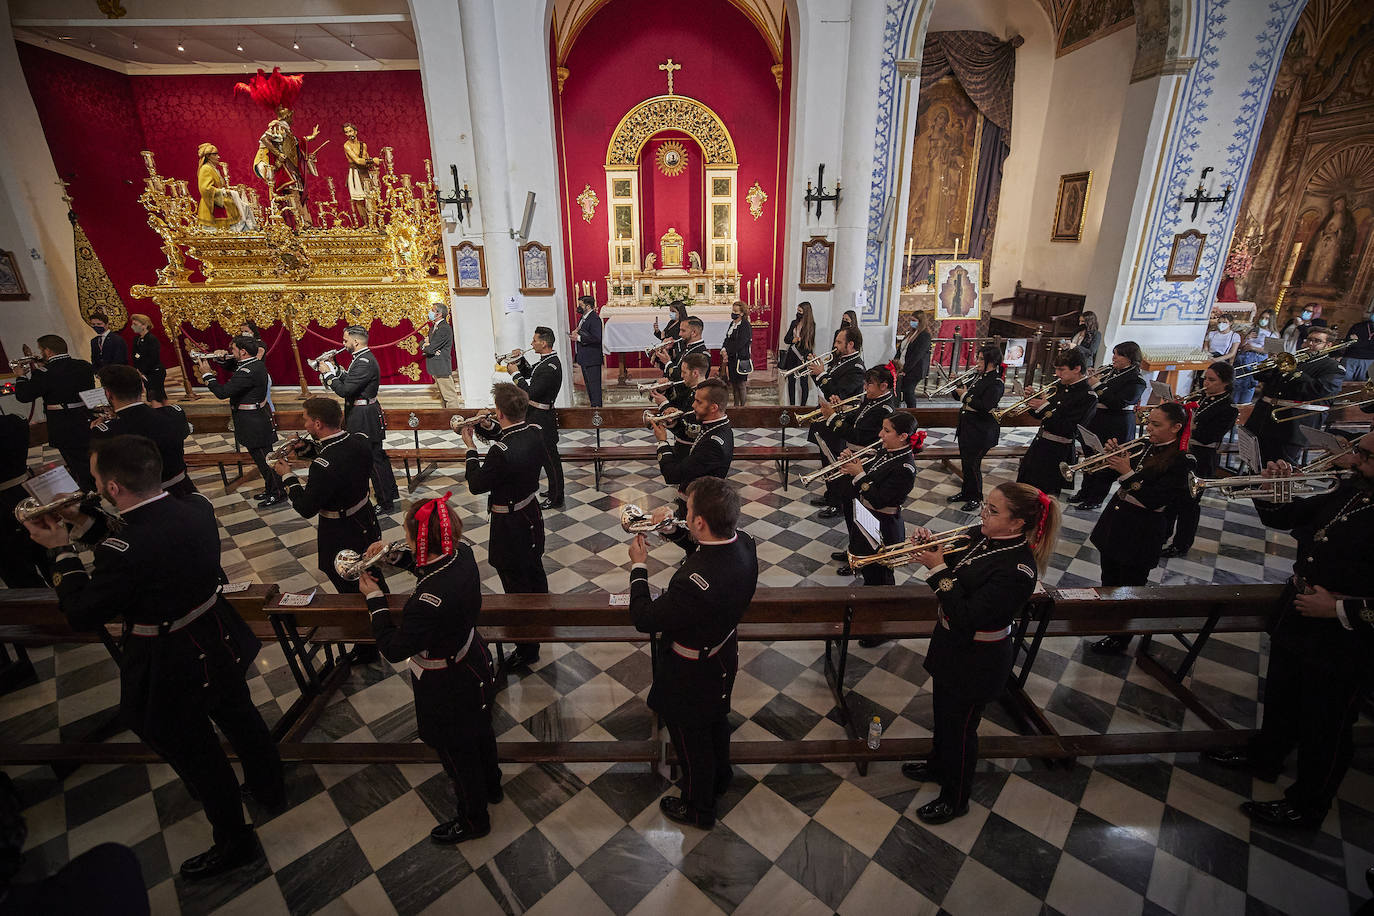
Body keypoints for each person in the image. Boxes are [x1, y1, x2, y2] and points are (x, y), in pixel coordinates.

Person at [22, 435, 284, 880]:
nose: (93, 486)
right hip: (216, 632)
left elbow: (85, 613)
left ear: (113, 489)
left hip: (170, 654)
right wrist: (86, 525)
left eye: (96, 480)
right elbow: (150, 539)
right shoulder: (196, 507)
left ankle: (235, 841)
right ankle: (269, 786)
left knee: (197, 752)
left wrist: (61, 550)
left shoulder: (122, 552)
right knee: (240, 715)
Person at [1204, 433, 1374, 828]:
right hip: (1298, 613)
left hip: (1344, 636)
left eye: (1364, 455)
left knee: (1326, 724)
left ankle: (1308, 805)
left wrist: (1338, 608)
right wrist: (1273, 489)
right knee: (1282, 695)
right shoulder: (1353, 489)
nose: (1352, 459)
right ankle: (1266, 756)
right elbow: (1286, 517)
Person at [901, 482, 1060, 824]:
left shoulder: (1018, 570)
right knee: (943, 713)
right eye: (986, 505)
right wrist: (933, 546)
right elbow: (958, 564)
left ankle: (956, 798)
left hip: (978, 659)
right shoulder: (981, 536)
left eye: (992, 510)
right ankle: (936, 764)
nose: (982, 514)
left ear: (1017, 524)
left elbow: (968, 616)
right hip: (951, 646)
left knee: (960, 729)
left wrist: (937, 569)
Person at [362, 496, 501, 844]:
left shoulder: (427, 600)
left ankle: (473, 819)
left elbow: (394, 649)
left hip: (447, 683)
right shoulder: (463, 553)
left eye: (407, 538)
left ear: (418, 540)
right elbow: (430, 563)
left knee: (456, 752)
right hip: (473, 661)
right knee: (481, 731)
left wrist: (375, 601)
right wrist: (393, 556)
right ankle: (493, 786)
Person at [627, 476, 758, 829]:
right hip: (722, 653)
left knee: (690, 741)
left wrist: (639, 567)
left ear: (700, 521)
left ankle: (699, 808)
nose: (685, 514)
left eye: (688, 511)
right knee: (716, 721)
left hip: (690, 671)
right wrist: (671, 530)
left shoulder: (693, 583)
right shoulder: (744, 543)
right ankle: (721, 777)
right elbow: (707, 549)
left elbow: (645, 619)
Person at [1087, 402, 1194, 654]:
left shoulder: (1182, 461)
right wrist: (1108, 459)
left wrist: (1126, 473)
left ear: (1176, 427)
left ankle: (1120, 636)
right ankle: (1108, 620)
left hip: (1141, 532)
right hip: (1117, 523)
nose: (1149, 428)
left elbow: (1155, 499)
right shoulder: (1145, 446)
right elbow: (1106, 478)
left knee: (1130, 587)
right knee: (1109, 578)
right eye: (1148, 422)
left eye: (1156, 425)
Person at [462, 383, 548, 665]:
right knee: (534, 569)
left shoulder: (500, 451)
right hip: (531, 512)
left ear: (500, 412)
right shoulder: (534, 432)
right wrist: (489, 426)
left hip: (509, 522)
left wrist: (471, 448)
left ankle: (527, 649)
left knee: (514, 580)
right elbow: (510, 437)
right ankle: (544, 620)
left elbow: (476, 485)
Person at [274, 396, 388, 600]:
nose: (304, 423)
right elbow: (337, 454)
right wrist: (306, 448)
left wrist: (287, 476)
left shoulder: (322, 466)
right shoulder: (359, 440)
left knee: (350, 579)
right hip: (365, 516)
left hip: (341, 530)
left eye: (306, 419)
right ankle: (384, 603)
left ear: (318, 424)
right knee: (372, 568)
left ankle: (366, 616)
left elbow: (306, 508)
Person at [835, 412, 919, 595]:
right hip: (869, 516)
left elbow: (879, 500)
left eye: (886, 430)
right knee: (869, 570)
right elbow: (872, 473)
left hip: (884, 526)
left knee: (880, 578)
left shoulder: (905, 468)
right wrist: (853, 461)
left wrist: (858, 474)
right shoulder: (887, 451)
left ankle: (882, 609)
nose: (880, 434)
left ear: (903, 436)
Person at [319, 326, 400, 512]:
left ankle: (385, 502)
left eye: (345, 340)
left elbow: (345, 390)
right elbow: (351, 380)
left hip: (364, 418)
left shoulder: (364, 361)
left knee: (372, 461)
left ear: (356, 342)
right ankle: (389, 494)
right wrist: (336, 369)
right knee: (376, 458)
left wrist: (328, 373)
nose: (343, 343)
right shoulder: (361, 359)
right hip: (363, 415)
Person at [1161, 362, 1238, 559]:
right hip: (1183, 452)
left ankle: (1181, 544)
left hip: (1202, 457)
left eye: (1212, 380)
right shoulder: (1202, 398)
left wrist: (1190, 422)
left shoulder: (1229, 408)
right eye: (1205, 378)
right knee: (1170, 497)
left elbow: (1209, 436)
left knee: (1189, 504)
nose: (1206, 383)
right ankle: (1162, 535)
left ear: (1226, 383)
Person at [198, 336, 285, 507]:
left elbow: (223, 392)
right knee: (262, 460)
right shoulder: (252, 365)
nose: (231, 352)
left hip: (255, 423)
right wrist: (220, 359)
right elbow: (235, 367)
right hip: (253, 420)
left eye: (233, 350)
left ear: (243, 352)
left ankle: (278, 493)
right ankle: (271, 489)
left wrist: (207, 375)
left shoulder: (249, 371)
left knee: (266, 461)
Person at [651, 378, 733, 556]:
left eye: (698, 402)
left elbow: (672, 475)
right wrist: (673, 422)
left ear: (714, 407)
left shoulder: (714, 444)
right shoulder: (717, 425)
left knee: (695, 545)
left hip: (703, 504)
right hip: (696, 495)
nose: (693, 405)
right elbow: (691, 432)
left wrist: (662, 442)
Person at [823, 367, 897, 560]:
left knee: (859, 510)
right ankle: (853, 549)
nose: (865, 387)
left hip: (865, 462)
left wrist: (832, 418)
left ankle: (860, 554)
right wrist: (839, 411)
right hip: (854, 458)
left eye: (869, 384)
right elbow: (856, 421)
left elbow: (858, 434)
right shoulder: (872, 401)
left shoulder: (884, 408)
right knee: (849, 507)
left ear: (884, 386)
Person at [1243, 325, 1344, 464]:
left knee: (1282, 465)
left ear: (1328, 345)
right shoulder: (1295, 359)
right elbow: (1261, 376)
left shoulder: (1332, 367)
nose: (1310, 344)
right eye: (1309, 339)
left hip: (1293, 425)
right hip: (1264, 419)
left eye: (1316, 341)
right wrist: (1270, 362)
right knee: (1257, 462)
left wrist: (1294, 371)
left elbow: (1319, 390)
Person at [91, 365, 196, 497]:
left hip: (143, 499)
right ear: (142, 388)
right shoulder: (174, 414)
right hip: (184, 491)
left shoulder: (106, 432)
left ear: (108, 394)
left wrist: (109, 423)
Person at [1067, 342, 1148, 511]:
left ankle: (1096, 497)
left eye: (1119, 355)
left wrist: (1097, 384)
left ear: (1130, 358)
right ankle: (1084, 491)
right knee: (1090, 457)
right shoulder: (1110, 371)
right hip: (1097, 419)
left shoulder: (1136, 380)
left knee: (1105, 462)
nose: (1114, 357)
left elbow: (1118, 402)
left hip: (1117, 424)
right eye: (1114, 353)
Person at [13, 334, 96, 490]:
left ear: (48, 351)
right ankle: (98, 484)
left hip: (63, 423)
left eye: (41, 350)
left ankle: (89, 493)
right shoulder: (83, 365)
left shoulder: (44, 372)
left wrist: (21, 377)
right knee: (89, 456)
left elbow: (24, 396)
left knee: (76, 463)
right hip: (85, 417)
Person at [1015, 348, 1097, 496]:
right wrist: (1033, 402)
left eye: (1062, 370)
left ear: (1077, 369)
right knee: (1024, 490)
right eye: (1057, 369)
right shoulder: (1059, 386)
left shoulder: (1087, 396)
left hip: (1058, 451)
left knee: (1045, 496)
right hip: (1040, 445)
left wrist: (1045, 407)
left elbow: (1071, 429)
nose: (1057, 374)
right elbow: (1041, 416)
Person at [808, 327, 866, 518]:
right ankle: (830, 494)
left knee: (835, 463)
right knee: (826, 460)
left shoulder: (856, 368)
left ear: (851, 345)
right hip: (827, 420)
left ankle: (837, 503)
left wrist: (822, 375)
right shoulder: (841, 361)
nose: (835, 345)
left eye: (839, 342)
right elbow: (826, 388)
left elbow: (838, 395)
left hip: (838, 422)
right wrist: (815, 372)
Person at [509, 326, 565, 510]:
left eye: (534, 341)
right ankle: (553, 490)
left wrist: (514, 374)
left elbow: (530, 393)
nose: (532, 344)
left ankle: (557, 497)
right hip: (537, 416)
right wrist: (520, 360)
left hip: (543, 419)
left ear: (544, 343)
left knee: (550, 460)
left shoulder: (551, 366)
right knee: (544, 458)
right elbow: (531, 373)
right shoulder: (545, 361)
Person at [948, 345, 1005, 512]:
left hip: (982, 431)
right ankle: (966, 493)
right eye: (978, 358)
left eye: (981, 359)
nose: (977, 362)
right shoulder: (977, 377)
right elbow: (960, 395)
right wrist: (957, 384)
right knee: (966, 463)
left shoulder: (996, 382)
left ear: (992, 362)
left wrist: (965, 395)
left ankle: (976, 497)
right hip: (968, 427)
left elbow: (986, 406)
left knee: (973, 464)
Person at [0, 414, 49, 588]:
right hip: (26, 493)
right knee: (47, 551)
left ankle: (40, 609)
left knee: (15, 569)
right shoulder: (14, 422)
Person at [342, 122, 380, 228]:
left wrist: (373, 167)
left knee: (371, 197)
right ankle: (366, 224)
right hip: (355, 173)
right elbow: (358, 160)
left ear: (355, 131)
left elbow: (366, 158)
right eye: (346, 132)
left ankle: (374, 223)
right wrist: (373, 160)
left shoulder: (363, 145)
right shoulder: (347, 146)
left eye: (350, 131)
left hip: (365, 172)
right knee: (359, 200)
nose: (349, 134)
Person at [422, 301, 459, 408]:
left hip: (442, 366)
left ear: (439, 314)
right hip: (436, 366)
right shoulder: (434, 327)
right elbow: (424, 344)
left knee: (449, 396)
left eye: (432, 311)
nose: (430, 312)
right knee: (444, 396)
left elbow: (431, 348)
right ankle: (447, 418)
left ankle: (456, 418)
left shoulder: (444, 328)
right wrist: (427, 344)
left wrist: (428, 345)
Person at [195, 143, 241, 228]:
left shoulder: (213, 168)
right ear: (208, 156)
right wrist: (222, 192)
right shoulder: (206, 168)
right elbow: (205, 189)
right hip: (211, 206)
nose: (218, 157)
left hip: (220, 203)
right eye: (215, 154)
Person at [780, 301, 816, 405]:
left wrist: (807, 357)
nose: (798, 313)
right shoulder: (794, 323)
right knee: (791, 381)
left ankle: (803, 406)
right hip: (792, 355)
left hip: (803, 356)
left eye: (800, 311)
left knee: (804, 383)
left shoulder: (811, 325)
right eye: (797, 310)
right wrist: (794, 340)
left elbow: (809, 343)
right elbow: (786, 339)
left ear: (806, 312)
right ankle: (792, 405)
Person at [571, 295, 604, 407]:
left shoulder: (594, 319)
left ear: (588, 306)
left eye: (581, 305)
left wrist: (579, 338)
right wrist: (576, 333)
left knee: (594, 388)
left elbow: (597, 338)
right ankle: (593, 408)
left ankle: (598, 410)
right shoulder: (584, 317)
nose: (579, 307)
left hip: (592, 358)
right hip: (585, 358)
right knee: (589, 387)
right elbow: (583, 331)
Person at [128, 314, 167, 402]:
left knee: (156, 397)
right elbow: (135, 355)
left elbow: (153, 358)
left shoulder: (151, 339)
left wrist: (143, 370)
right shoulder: (136, 339)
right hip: (144, 372)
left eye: (135, 324)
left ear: (144, 325)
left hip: (154, 371)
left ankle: (162, 412)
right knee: (154, 396)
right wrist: (137, 370)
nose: (132, 326)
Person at [898, 312, 933, 407]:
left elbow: (917, 355)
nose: (911, 322)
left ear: (921, 322)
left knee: (908, 392)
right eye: (911, 320)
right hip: (902, 366)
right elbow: (901, 349)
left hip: (914, 370)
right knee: (902, 391)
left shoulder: (924, 336)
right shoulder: (910, 333)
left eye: (914, 321)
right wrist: (895, 364)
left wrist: (905, 370)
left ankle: (913, 412)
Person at [722, 300, 752, 407]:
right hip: (732, 359)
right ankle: (735, 406)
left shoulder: (745, 325)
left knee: (741, 384)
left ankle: (743, 408)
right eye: (733, 310)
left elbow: (740, 343)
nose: (733, 313)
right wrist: (724, 349)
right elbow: (727, 338)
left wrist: (728, 351)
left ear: (742, 313)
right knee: (734, 384)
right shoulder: (732, 324)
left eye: (736, 311)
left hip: (741, 358)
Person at [665, 317, 708, 382]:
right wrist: (667, 351)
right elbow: (676, 365)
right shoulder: (685, 346)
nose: (680, 334)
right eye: (680, 330)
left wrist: (667, 362)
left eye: (683, 331)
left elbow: (683, 378)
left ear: (694, 333)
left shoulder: (701, 353)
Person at [1232, 326, 1266, 405]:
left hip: (1256, 361)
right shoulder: (1253, 328)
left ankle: (1244, 408)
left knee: (1250, 386)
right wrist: (1247, 337)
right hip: (1243, 360)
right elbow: (1240, 347)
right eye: (1262, 317)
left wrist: (1252, 348)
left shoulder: (1272, 333)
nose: (1263, 320)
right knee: (1237, 385)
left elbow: (1270, 350)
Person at [1344, 300, 1374, 381]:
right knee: (1343, 385)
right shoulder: (1358, 326)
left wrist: (1358, 342)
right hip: (1351, 358)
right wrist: (1368, 344)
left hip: (1370, 361)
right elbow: (1348, 342)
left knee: (1363, 387)